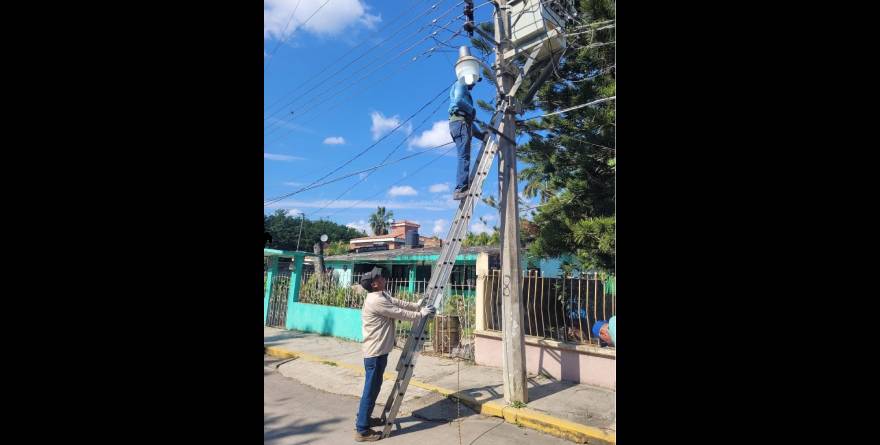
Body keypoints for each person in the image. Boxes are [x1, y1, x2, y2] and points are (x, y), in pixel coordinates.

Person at [354, 267, 436, 442]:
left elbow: (398, 303)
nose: (384, 278)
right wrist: (420, 314)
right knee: (371, 390)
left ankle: (364, 419)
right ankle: (362, 430)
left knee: (373, 388)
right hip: (375, 353)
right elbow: (399, 313)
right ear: (375, 284)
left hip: (379, 352)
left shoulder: (382, 295)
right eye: (380, 277)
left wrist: (417, 305)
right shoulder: (375, 301)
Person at [448, 78, 486, 200]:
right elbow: (459, 101)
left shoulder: (460, 86)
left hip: (460, 123)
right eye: (473, 81)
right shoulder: (461, 83)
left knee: (463, 156)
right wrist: (472, 110)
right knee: (464, 156)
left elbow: (468, 123)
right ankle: (460, 189)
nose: (474, 85)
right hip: (460, 123)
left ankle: (461, 187)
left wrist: (482, 135)